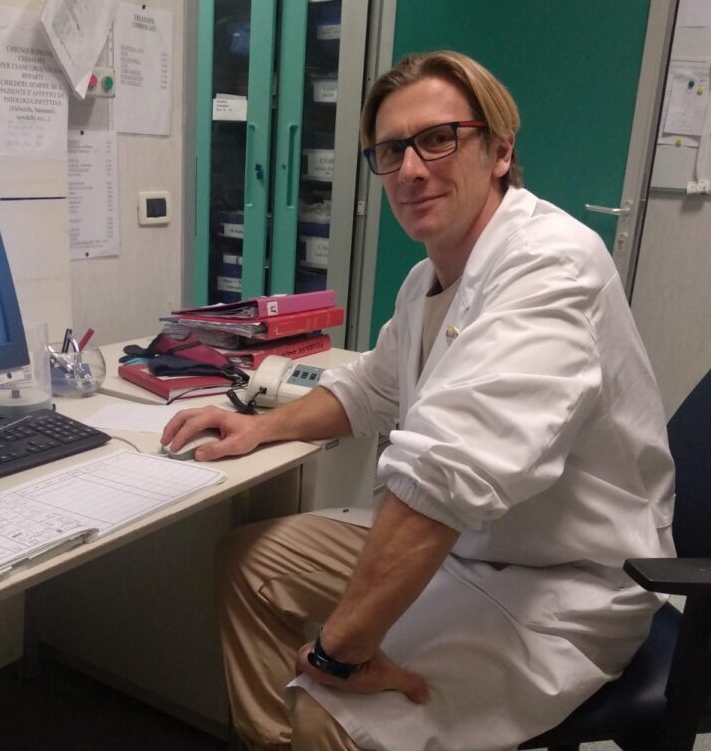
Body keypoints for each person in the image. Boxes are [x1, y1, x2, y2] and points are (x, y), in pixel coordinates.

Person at [161, 50, 676, 751]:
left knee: (328, 710)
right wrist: (259, 427)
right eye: (390, 150)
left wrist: (338, 654)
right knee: (254, 565)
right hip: (468, 547)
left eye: (438, 139)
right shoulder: (426, 280)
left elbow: (443, 471)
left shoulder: (551, 266)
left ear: (501, 151)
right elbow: (370, 387)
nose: (409, 169)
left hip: (561, 583)